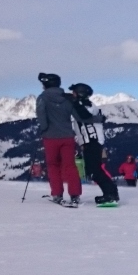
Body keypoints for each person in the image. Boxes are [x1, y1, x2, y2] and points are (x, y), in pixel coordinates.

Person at [68, 83, 121, 206]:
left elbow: (84, 116)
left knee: (94, 171)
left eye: (74, 92)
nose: (72, 95)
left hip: (92, 141)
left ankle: (110, 194)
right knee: (95, 170)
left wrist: (72, 102)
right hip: (92, 141)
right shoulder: (88, 105)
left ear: (80, 94)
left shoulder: (84, 106)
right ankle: (111, 192)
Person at [35, 72, 81, 206]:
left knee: (53, 165)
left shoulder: (42, 98)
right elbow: (77, 116)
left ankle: (57, 194)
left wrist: (43, 129)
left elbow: (41, 116)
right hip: (67, 136)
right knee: (70, 166)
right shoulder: (67, 98)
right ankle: (75, 195)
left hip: (50, 137)